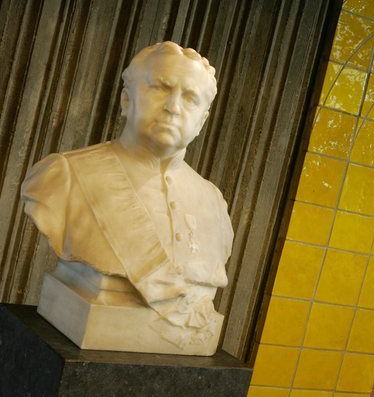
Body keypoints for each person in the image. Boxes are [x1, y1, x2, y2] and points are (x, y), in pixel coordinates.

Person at [21, 42, 233, 350]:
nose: (173, 107)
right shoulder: (63, 176)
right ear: (125, 100)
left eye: (190, 98)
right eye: (160, 88)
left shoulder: (215, 204)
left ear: (202, 121)